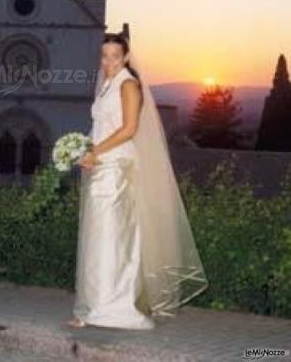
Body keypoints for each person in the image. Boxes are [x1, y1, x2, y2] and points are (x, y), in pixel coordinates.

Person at [66, 33, 208, 329]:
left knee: (113, 236)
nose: (109, 62)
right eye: (104, 56)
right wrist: (86, 152)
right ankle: (93, 305)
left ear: (126, 57)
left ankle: (117, 306)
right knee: (97, 235)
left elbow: (129, 129)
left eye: (115, 56)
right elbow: (102, 125)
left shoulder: (128, 84)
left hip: (117, 164)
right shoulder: (106, 85)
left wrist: (96, 151)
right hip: (101, 163)